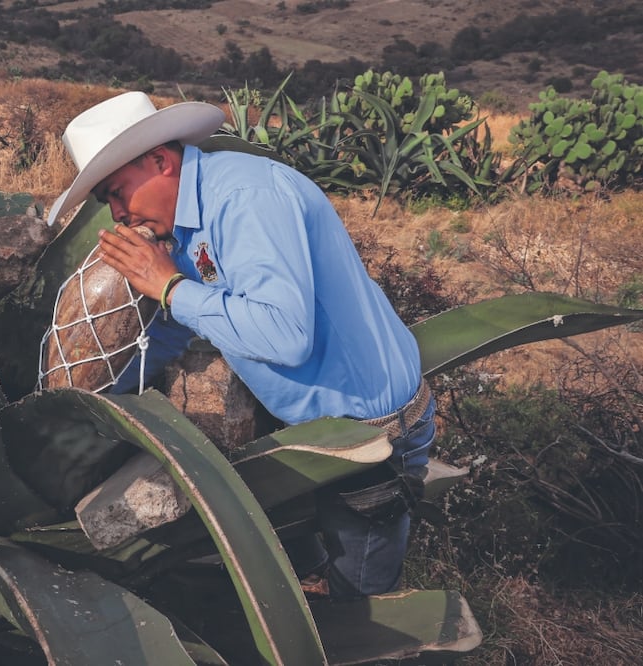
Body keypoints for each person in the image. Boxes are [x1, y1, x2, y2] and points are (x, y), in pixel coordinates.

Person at [47, 90, 437, 600]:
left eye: (119, 192)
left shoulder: (247, 199)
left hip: (371, 436)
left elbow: (285, 336)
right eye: (109, 202)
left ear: (161, 161)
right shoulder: (190, 222)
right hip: (315, 429)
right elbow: (179, 325)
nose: (118, 215)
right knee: (304, 570)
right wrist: (102, 401)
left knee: (363, 611)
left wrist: (168, 286)